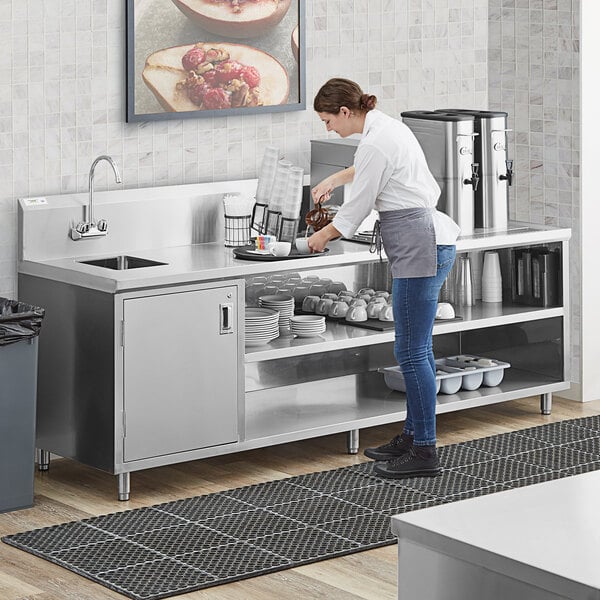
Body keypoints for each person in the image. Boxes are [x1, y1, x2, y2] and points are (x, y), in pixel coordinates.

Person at [308, 78, 460, 479]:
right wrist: (337, 178)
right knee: (418, 349)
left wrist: (317, 239)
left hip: (419, 244)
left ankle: (425, 451)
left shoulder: (374, 140)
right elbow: (372, 168)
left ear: (345, 112)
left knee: (410, 351)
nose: (328, 129)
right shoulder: (385, 128)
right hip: (426, 238)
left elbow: (354, 212)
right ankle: (413, 437)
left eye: (327, 121)